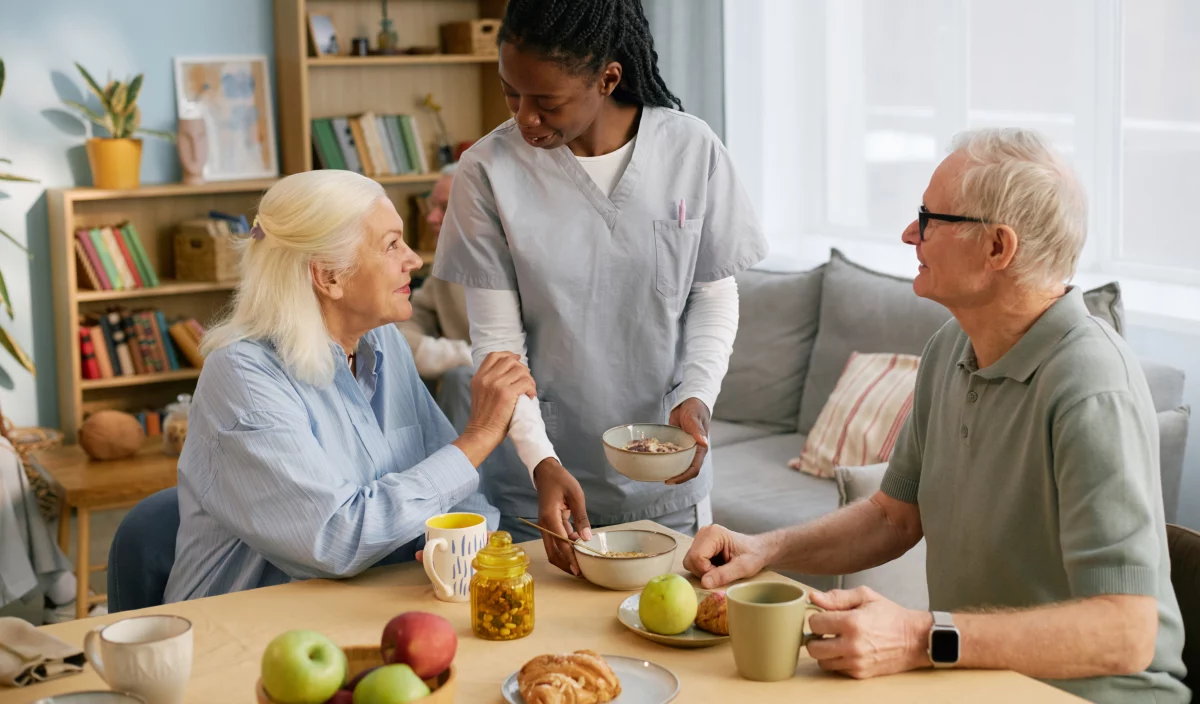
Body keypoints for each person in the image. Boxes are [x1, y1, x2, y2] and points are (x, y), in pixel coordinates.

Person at [682, 128, 1188, 702]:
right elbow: (894, 518)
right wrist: (766, 549)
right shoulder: (951, 347)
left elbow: (1125, 633)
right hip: (980, 682)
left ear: (999, 248)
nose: (908, 234)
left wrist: (920, 637)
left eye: (929, 219)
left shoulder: (1092, 388)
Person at [433, 0, 767, 577]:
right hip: (540, 486)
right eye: (512, 93)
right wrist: (540, 461)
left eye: (547, 101)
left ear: (608, 77)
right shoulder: (486, 171)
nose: (525, 118)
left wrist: (697, 397)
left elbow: (712, 292)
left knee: (667, 640)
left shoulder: (692, 150)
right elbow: (498, 348)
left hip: (665, 486)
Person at [165, 170, 536, 602]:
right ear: (329, 277)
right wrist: (480, 436)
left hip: (363, 607)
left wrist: (478, 544)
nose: (414, 259)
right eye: (392, 244)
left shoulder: (383, 341)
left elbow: (454, 491)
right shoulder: (243, 376)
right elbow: (333, 539)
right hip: (243, 634)